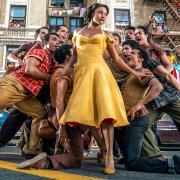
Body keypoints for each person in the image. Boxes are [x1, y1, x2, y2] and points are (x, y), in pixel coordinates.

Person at [59, 3, 148, 175]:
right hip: (82, 75)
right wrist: (65, 70)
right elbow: (75, 57)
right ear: (92, 13)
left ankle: (109, 156)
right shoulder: (77, 33)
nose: (102, 16)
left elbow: (117, 60)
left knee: (107, 116)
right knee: (85, 114)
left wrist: (135, 73)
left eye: (105, 14)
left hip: (101, 74)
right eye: (99, 12)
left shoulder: (106, 35)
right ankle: (101, 148)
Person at [117, 40, 180, 174]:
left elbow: (158, 86)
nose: (127, 55)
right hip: (130, 120)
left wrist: (139, 104)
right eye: (126, 54)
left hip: (140, 117)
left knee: (132, 161)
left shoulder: (143, 72)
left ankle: (171, 164)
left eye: (133, 53)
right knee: (129, 158)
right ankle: (150, 157)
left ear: (140, 59)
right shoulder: (131, 74)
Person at [0, 32, 59, 155]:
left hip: (27, 94)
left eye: (59, 41)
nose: (57, 42)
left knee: (39, 113)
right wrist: (49, 77)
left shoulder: (52, 61)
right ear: (45, 42)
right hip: (15, 85)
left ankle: (33, 150)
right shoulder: (40, 52)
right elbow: (30, 69)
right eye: (54, 39)